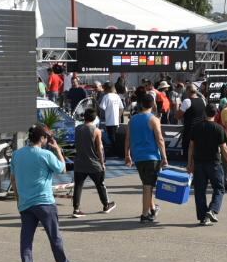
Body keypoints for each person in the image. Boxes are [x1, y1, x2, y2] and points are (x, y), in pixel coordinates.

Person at [10, 124, 80, 262]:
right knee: (55, 237)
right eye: (47, 137)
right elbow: (62, 169)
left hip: (25, 202)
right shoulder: (45, 154)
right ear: (42, 138)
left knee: (26, 240)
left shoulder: (17, 155)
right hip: (44, 202)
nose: (48, 140)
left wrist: (18, 198)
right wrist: (58, 150)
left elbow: (13, 179)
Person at [124, 94, 169, 224]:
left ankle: (153, 208)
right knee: (148, 186)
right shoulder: (154, 120)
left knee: (146, 184)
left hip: (138, 157)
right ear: (153, 104)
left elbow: (128, 138)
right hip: (152, 157)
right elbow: (160, 139)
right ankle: (145, 215)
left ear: (141, 104)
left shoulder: (133, 120)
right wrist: (164, 157)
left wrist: (127, 155)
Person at [188, 103, 227, 225]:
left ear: (205, 113)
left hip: (199, 163)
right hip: (214, 163)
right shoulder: (219, 128)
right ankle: (213, 209)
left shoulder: (196, 127)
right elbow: (224, 148)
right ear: (216, 114)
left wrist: (189, 163)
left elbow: (191, 147)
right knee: (219, 188)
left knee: (199, 191)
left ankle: (203, 217)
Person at [71, 108, 116, 217]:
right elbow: (100, 148)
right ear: (95, 118)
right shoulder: (96, 130)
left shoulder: (77, 129)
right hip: (93, 163)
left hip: (79, 162)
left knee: (78, 186)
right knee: (100, 184)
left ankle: (76, 209)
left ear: (84, 117)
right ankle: (106, 205)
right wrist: (102, 162)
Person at [98, 82, 124, 152]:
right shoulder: (117, 96)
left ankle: (113, 152)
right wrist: (118, 117)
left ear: (106, 89)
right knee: (115, 137)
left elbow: (101, 108)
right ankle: (116, 151)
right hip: (116, 121)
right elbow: (121, 108)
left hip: (108, 121)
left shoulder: (106, 96)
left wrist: (101, 117)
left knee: (109, 137)